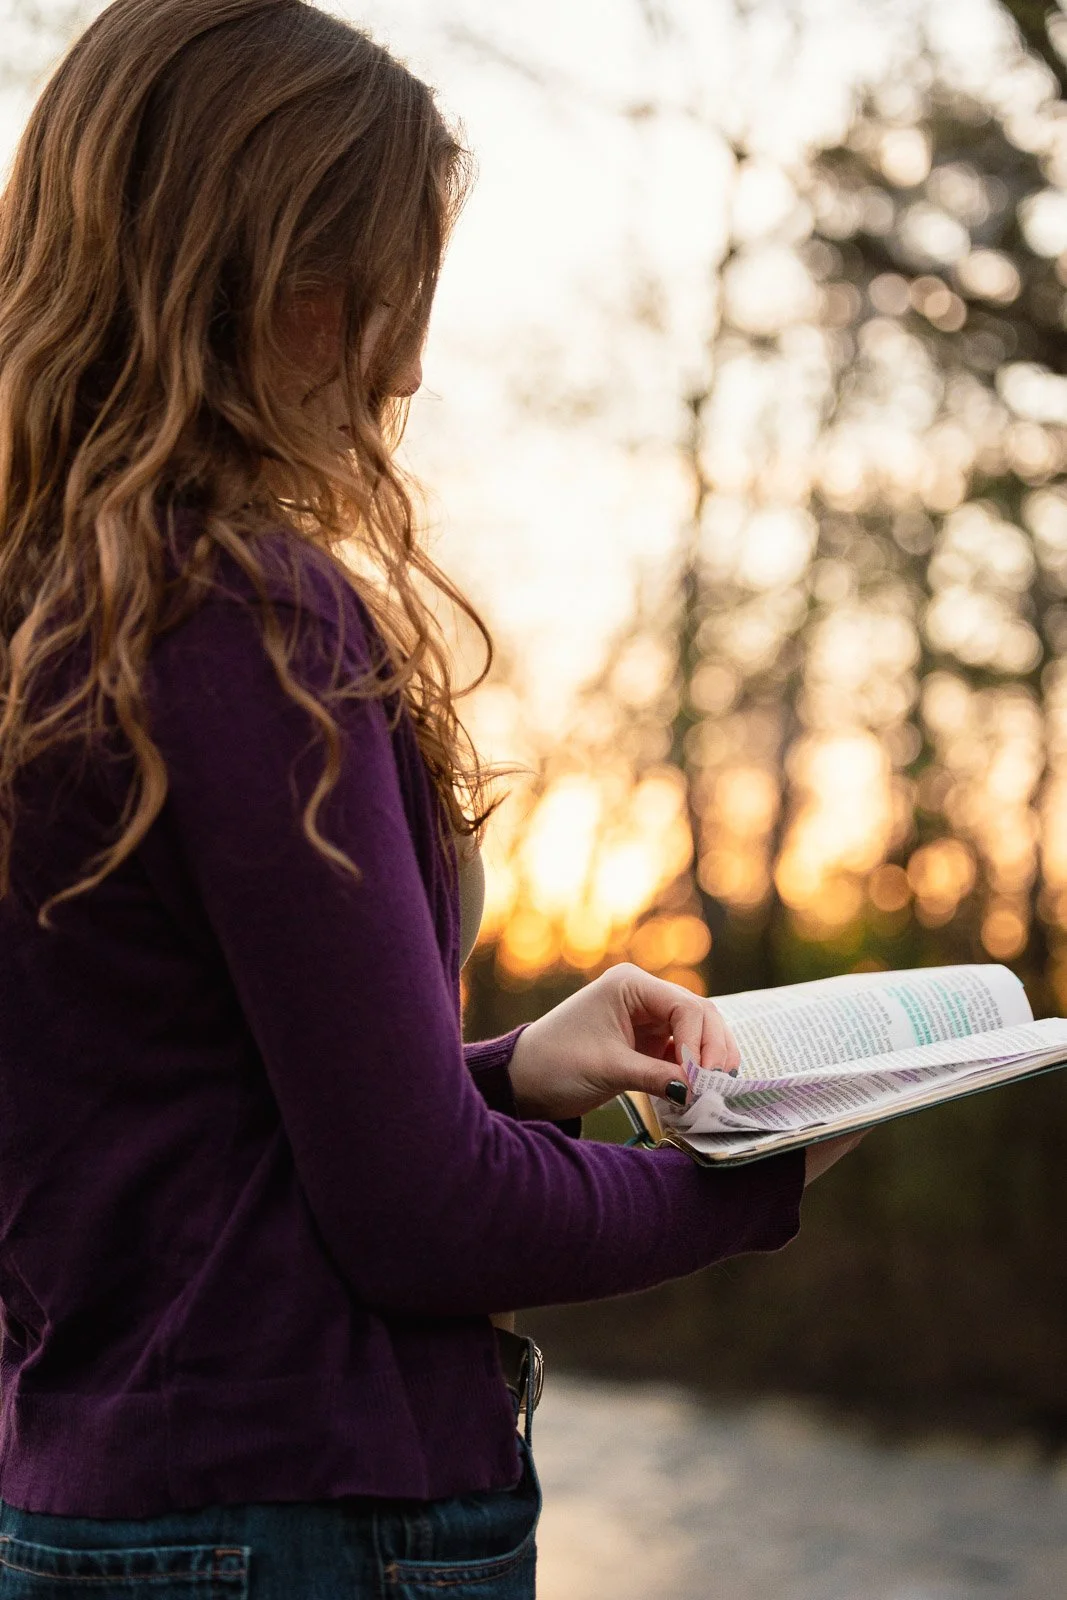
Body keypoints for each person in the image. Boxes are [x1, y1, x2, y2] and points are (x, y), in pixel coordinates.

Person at [0, 2, 861, 1594]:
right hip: (299, 1529)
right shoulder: (248, 613)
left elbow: (193, 1141)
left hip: (95, 1507)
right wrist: (739, 1188)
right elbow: (422, 1224)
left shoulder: (55, 621)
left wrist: (517, 1069)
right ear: (283, 289)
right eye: (393, 288)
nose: (407, 364)